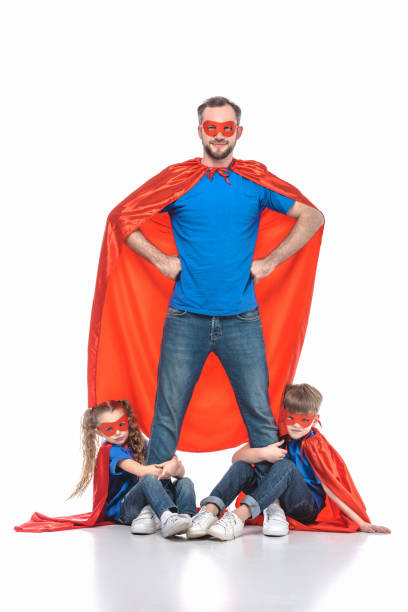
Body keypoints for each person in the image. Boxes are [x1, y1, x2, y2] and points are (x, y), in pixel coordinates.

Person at [122, 96, 324, 471]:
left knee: (259, 414)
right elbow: (123, 219)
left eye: (226, 128)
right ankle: (156, 499)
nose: (218, 135)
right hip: (185, 317)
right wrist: (162, 261)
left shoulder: (254, 182)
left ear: (238, 132)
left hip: (241, 319)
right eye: (211, 127)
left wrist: (271, 262)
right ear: (200, 131)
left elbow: (311, 216)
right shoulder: (177, 181)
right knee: (167, 415)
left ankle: (267, 504)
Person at [186, 384, 390, 540]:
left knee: (286, 467)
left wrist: (361, 522)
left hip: (303, 505)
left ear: (315, 418)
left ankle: (238, 517)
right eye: (291, 418)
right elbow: (236, 458)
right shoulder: (279, 436)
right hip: (273, 499)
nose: (297, 426)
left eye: (305, 420)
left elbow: (331, 486)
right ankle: (210, 510)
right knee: (243, 467)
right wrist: (264, 453)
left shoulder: (314, 444)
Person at [70, 399, 197, 538]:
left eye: (121, 424)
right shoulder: (111, 451)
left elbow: (180, 472)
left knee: (185, 482)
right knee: (148, 479)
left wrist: (175, 466)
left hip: (150, 501)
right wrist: (169, 468)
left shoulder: (140, 442)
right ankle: (167, 517)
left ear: (128, 422)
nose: (117, 432)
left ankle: (187, 518)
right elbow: (141, 471)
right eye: (109, 428)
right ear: (99, 432)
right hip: (127, 510)